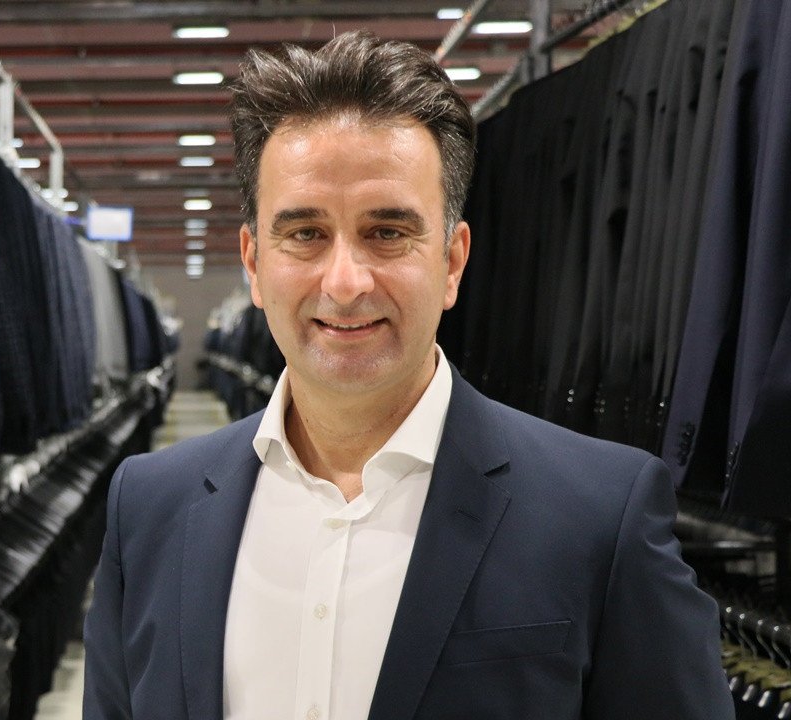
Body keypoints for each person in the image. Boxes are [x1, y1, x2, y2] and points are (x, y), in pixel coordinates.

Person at [82, 30, 733, 720]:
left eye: (387, 233)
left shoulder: (600, 516)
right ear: (254, 264)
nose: (345, 282)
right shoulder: (148, 509)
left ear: (452, 262)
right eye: (305, 234)